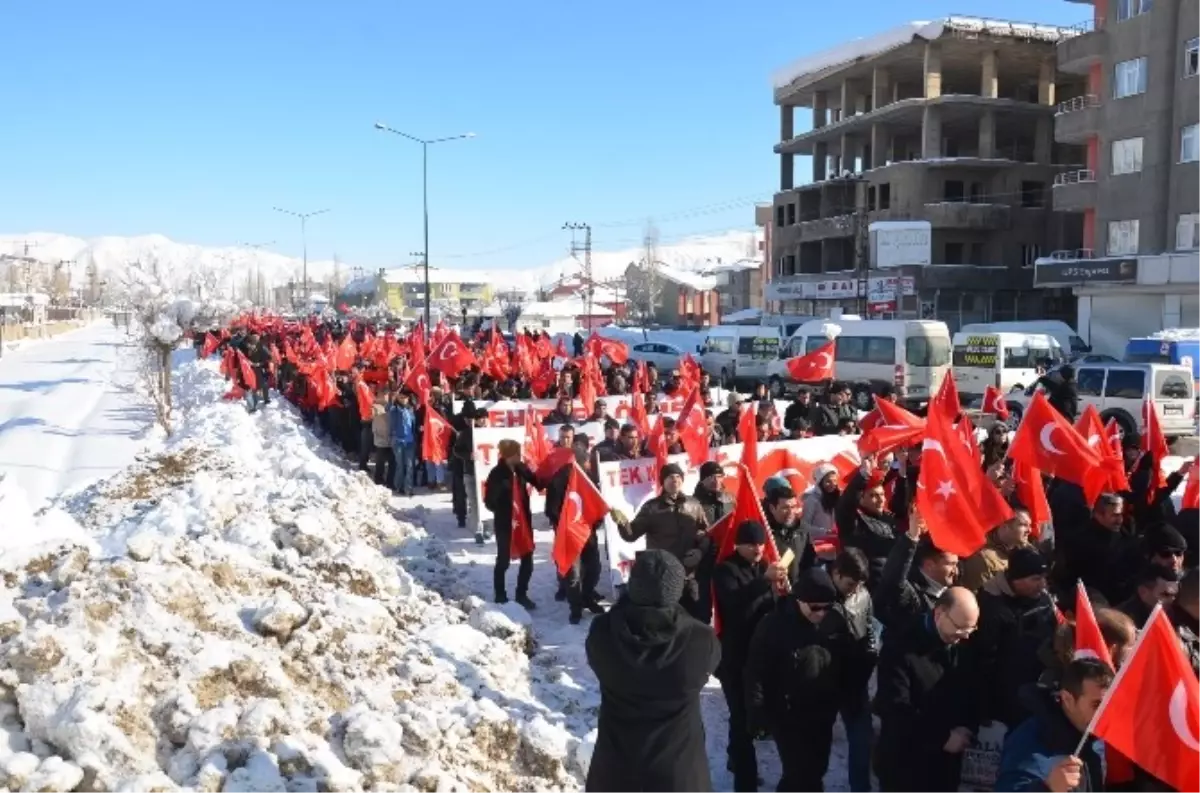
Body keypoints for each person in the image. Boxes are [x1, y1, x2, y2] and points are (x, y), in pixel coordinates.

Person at [585, 550, 720, 793]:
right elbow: (708, 661)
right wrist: (687, 610)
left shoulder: (602, 633)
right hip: (678, 775)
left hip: (615, 773)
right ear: (678, 590)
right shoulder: (700, 640)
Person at [745, 567, 846, 792]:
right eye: (815, 607)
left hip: (822, 711)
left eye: (826, 607)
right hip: (788, 714)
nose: (821, 613)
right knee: (799, 773)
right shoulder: (773, 625)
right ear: (799, 600)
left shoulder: (834, 620)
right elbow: (756, 671)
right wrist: (757, 712)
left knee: (817, 769)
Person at [874, 587, 980, 793]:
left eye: (971, 629)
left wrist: (967, 726)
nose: (965, 636)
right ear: (940, 613)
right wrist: (942, 738)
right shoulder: (900, 647)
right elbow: (896, 710)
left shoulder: (962, 642)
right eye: (960, 628)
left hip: (946, 768)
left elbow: (972, 687)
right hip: (906, 767)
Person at [712, 520, 787, 793]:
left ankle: (735, 755)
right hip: (735, 658)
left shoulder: (765, 564)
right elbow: (734, 604)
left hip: (764, 655)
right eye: (751, 545)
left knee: (750, 714)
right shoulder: (725, 570)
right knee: (742, 719)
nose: (757, 549)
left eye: (760, 544)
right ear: (738, 545)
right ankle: (744, 783)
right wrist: (763, 581)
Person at [993, 659, 1112, 793]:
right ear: (1067, 699)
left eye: (1110, 704)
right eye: (1097, 705)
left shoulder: (1095, 738)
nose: (1105, 713)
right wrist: (1047, 788)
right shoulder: (1030, 740)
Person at [482, 439, 541, 609]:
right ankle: (500, 594)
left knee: (527, 558)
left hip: (523, 522)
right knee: (503, 561)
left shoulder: (521, 469)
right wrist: (504, 508)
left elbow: (537, 482)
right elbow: (489, 502)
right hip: (505, 524)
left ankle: (521, 594)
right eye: (517, 454)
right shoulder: (496, 474)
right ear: (510, 456)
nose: (520, 456)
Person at [388, 391, 417, 496]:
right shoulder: (394, 409)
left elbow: (413, 425)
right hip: (398, 441)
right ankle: (398, 486)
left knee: (409, 466)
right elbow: (388, 409)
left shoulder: (410, 409)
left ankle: (408, 488)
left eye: (405, 397)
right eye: (401, 397)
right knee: (400, 465)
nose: (403, 399)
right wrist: (392, 399)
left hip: (410, 441)